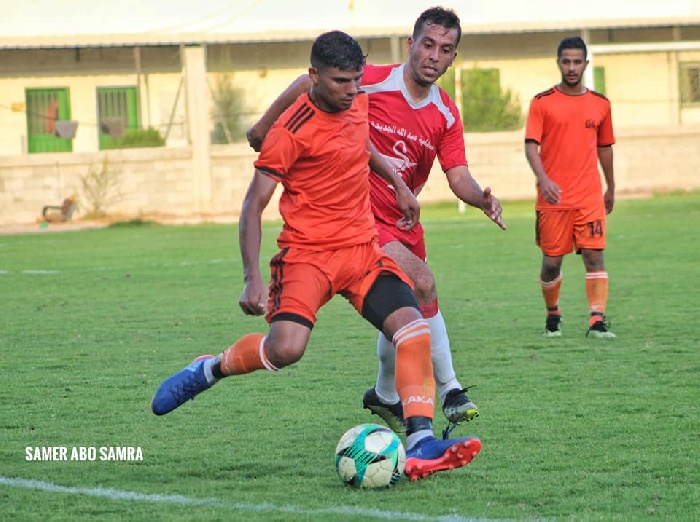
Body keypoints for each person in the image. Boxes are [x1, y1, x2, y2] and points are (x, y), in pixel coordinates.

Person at [152, 30, 481, 480]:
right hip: (307, 256)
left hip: (362, 250)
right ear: (315, 78)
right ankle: (211, 368)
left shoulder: (358, 100)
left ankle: (421, 442)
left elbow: (362, 144)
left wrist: (399, 185)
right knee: (285, 351)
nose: (352, 90)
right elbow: (254, 203)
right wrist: (251, 277)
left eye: (356, 80)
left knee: (413, 328)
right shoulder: (291, 132)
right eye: (341, 81)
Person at [246, 6, 505, 439]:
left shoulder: (445, 113)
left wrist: (480, 198)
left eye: (445, 50)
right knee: (422, 282)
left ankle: (385, 394)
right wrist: (263, 127)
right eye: (427, 44)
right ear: (411, 43)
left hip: (404, 221)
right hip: (358, 217)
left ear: (453, 58)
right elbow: (305, 84)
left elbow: (457, 175)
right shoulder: (372, 79)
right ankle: (451, 390)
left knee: (401, 312)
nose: (433, 56)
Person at [524, 36, 616, 339]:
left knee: (594, 257)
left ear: (586, 64)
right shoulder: (542, 103)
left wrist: (611, 187)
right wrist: (544, 179)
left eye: (578, 61)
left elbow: (605, 148)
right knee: (551, 264)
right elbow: (530, 147)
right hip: (553, 198)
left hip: (589, 196)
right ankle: (553, 315)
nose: (572, 67)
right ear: (559, 63)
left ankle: (597, 320)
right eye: (567, 61)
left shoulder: (600, 104)